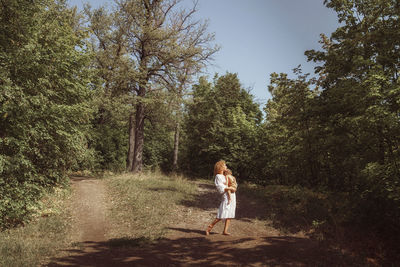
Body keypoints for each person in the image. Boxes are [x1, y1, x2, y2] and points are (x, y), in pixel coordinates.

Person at [205, 160, 237, 236]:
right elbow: (220, 187)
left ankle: (225, 231)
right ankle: (210, 226)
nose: (226, 167)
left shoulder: (225, 176)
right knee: (223, 213)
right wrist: (230, 188)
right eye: (225, 165)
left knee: (230, 214)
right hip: (226, 196)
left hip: (232, 195)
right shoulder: (218, 176)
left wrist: (233, 187)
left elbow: (232, 183)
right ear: (221, 167)